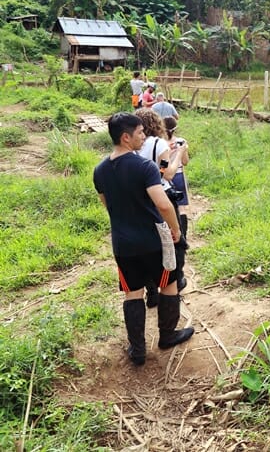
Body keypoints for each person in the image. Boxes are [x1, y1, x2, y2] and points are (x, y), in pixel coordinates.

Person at [93, 112, 194, 366]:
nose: (143, 136)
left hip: (123, 243)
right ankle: (167, 335)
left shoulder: (100, 170)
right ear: (126, 137)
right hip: (152, 240)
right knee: (169, 283)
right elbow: (163, 204)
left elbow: (108, 205)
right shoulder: (144, 166)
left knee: (132, 293)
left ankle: (137, 349)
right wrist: (176, 231)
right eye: (139, 133)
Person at [135, 109, 189, 306]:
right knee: (176, 239)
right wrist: (179, 153)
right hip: (162, 195)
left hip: (141, 199)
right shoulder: (159, 144)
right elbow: (166, 173)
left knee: (150, 243)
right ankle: (176, 280)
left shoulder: (133, 147)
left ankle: (152, 291)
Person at [164, 116, 190, 239]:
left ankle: (171, 234)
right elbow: (185, 162)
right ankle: (183, 236)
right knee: (181, 207)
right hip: (178, 175)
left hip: (164, 177)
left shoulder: (160, 143)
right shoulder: (181, 142)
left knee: (167, 207)